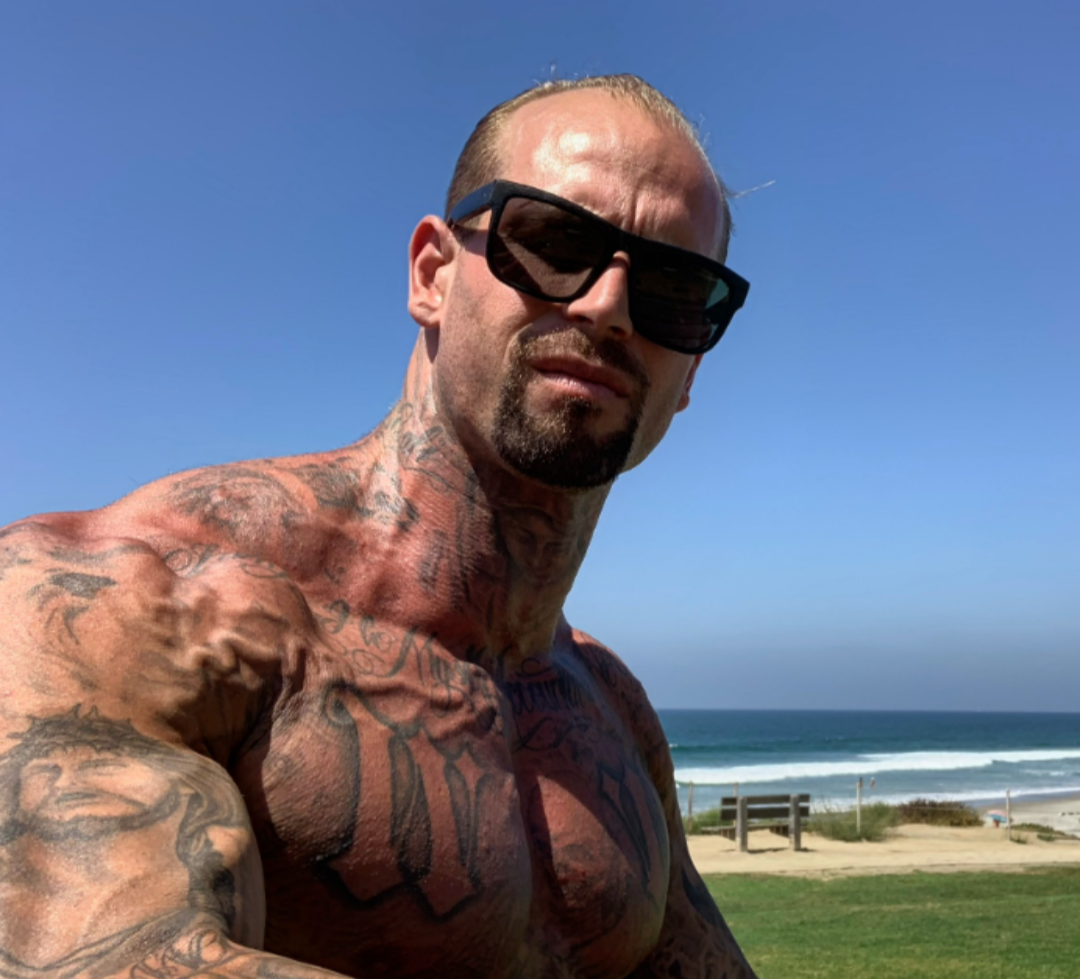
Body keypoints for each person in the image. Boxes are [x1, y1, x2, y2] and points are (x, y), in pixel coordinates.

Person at [0, 75, 755, 979]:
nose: (608, 308)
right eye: (554, 243)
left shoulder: (612, 710)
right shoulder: (114, 601)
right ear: (433, 274)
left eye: (674, 287)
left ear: (693, 368)